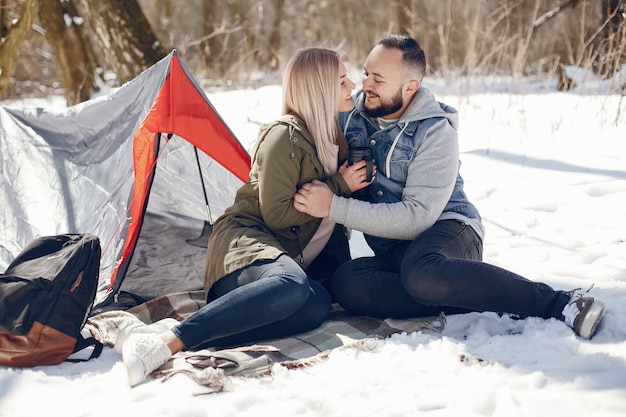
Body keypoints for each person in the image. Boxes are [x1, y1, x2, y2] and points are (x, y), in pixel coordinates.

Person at [293, 34, 605, 340]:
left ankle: (559, 302)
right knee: (349, 282)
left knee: (422, 273)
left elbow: (417, 218)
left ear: (410, 87)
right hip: (396, 251)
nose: (366, 86)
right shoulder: (350, 116)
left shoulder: (435, 131)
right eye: (365, 73)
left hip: (448, 232)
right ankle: (471, 293)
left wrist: (333, 205)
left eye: (378, 79)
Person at [120, 47, 370, 387]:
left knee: (317, 305)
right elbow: (278, 215)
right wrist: (339, 185)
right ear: (319, 89)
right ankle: (167, 342)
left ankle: (212, 332)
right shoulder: (284, 135)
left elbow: (330, 224)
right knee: (293, 285)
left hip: (276, 275)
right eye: (342, 81)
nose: (352, 85)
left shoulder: (334, 138)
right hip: (244, 247)